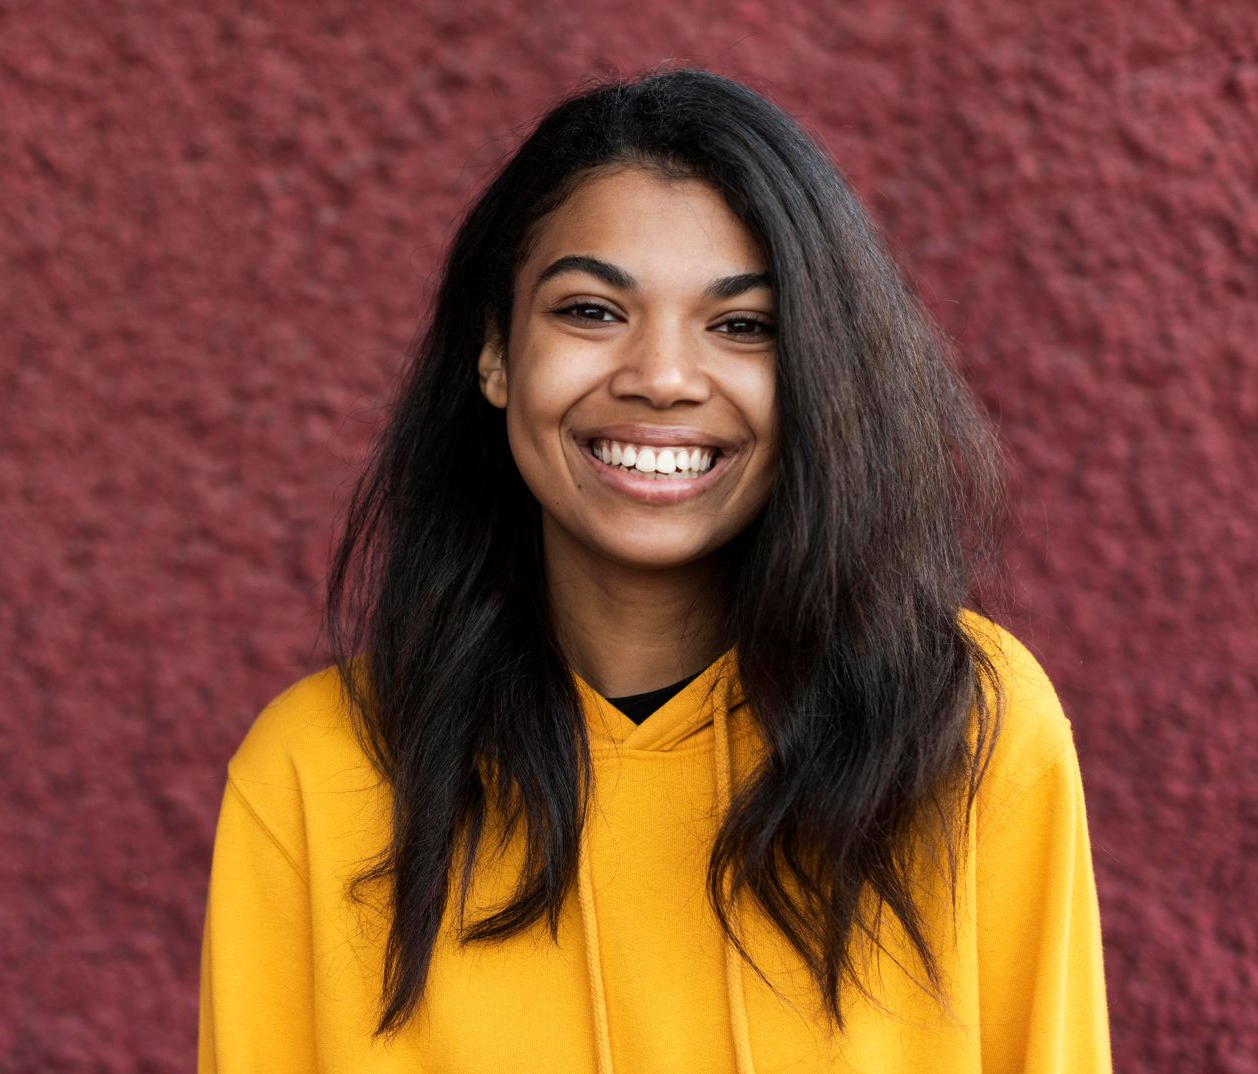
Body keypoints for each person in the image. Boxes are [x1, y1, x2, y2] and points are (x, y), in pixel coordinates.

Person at [197, 68, 1111, 1073]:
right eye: (591, 311)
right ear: (496, 350)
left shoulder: (962, 730)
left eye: (742, 325)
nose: (662, 379)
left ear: (817, 371)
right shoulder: (315, 775)